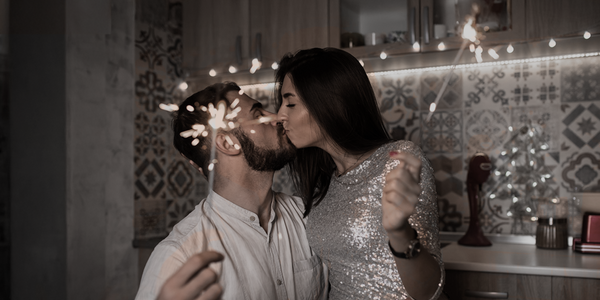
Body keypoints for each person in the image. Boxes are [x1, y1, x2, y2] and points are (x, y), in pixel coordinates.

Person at [275, 48, 446, 300]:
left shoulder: (396, 161)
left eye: (290, 103)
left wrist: (399, 232)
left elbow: (430, 291)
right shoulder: (324, 184)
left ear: (328, 102)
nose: (280, 114)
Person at [135, 82, 328, 300]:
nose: (277, 117)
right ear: (227, 142)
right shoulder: (180, 255)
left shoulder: (309, 216)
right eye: (258, 114)